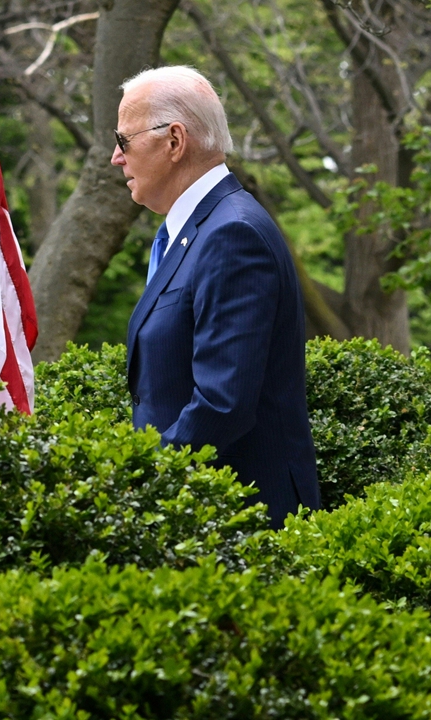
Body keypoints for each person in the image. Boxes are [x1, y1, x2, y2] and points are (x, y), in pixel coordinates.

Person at [114, 66, 319, 527]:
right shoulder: (194, 231)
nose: (115, 157)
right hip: (200, 517)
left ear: (174, 141)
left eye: (123, 140)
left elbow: (221, 404)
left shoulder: (232, 235)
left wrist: (135, 479)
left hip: (240, 526)